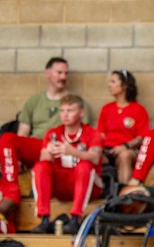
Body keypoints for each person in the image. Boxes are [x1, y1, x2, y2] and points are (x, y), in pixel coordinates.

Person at [0, 57, 87, 185]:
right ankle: (10, 188)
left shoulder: (76, 102)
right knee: (7, 139)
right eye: (59, 73)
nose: (63, 77)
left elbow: (83, 133)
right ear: (47, 73)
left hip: (61, 147)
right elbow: (23, 133)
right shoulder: (34, 101)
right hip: (37, 145)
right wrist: (17, 157)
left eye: (66, 73)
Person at [31, 95, 104, 235]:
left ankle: (76, 218)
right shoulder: (52, 133)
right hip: (62, 184)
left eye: (70, 110)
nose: (65, 115)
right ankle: (44, 219)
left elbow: (95, 158)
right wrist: (50, 151)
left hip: (88, 185)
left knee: (84, 166)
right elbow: (43, 157)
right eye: (62, 110)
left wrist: (73, 151)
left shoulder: (92, 133)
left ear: (81, 113)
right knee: (40, 166)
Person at [97, 69, 150, 187]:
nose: (109, 85)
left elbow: (142, 137)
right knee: (94, 156)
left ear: (125, 85)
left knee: (124, 155)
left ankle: (124, 193)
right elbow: (100, 134)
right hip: (108, 149)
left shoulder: (139, 109)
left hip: (129, 149)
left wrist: (124, 146)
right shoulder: (106, 109)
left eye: (113, 81)